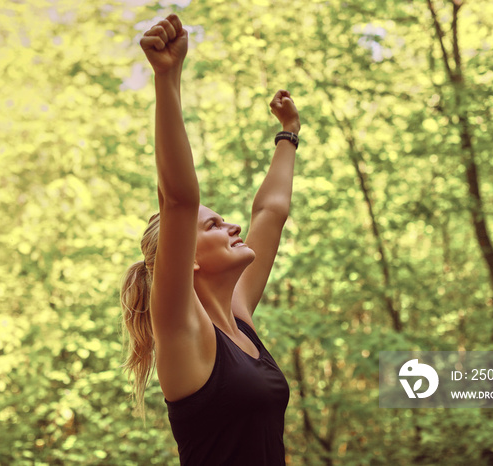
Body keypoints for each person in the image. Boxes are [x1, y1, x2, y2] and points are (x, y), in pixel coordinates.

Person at [121, 13, 301, 466]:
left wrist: (288, 134)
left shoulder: (238, 318)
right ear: (188, 261)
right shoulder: (183, 329)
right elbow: (179, 199)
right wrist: (167, 77)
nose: (234, 227)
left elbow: (270, 213)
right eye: (214, 226)